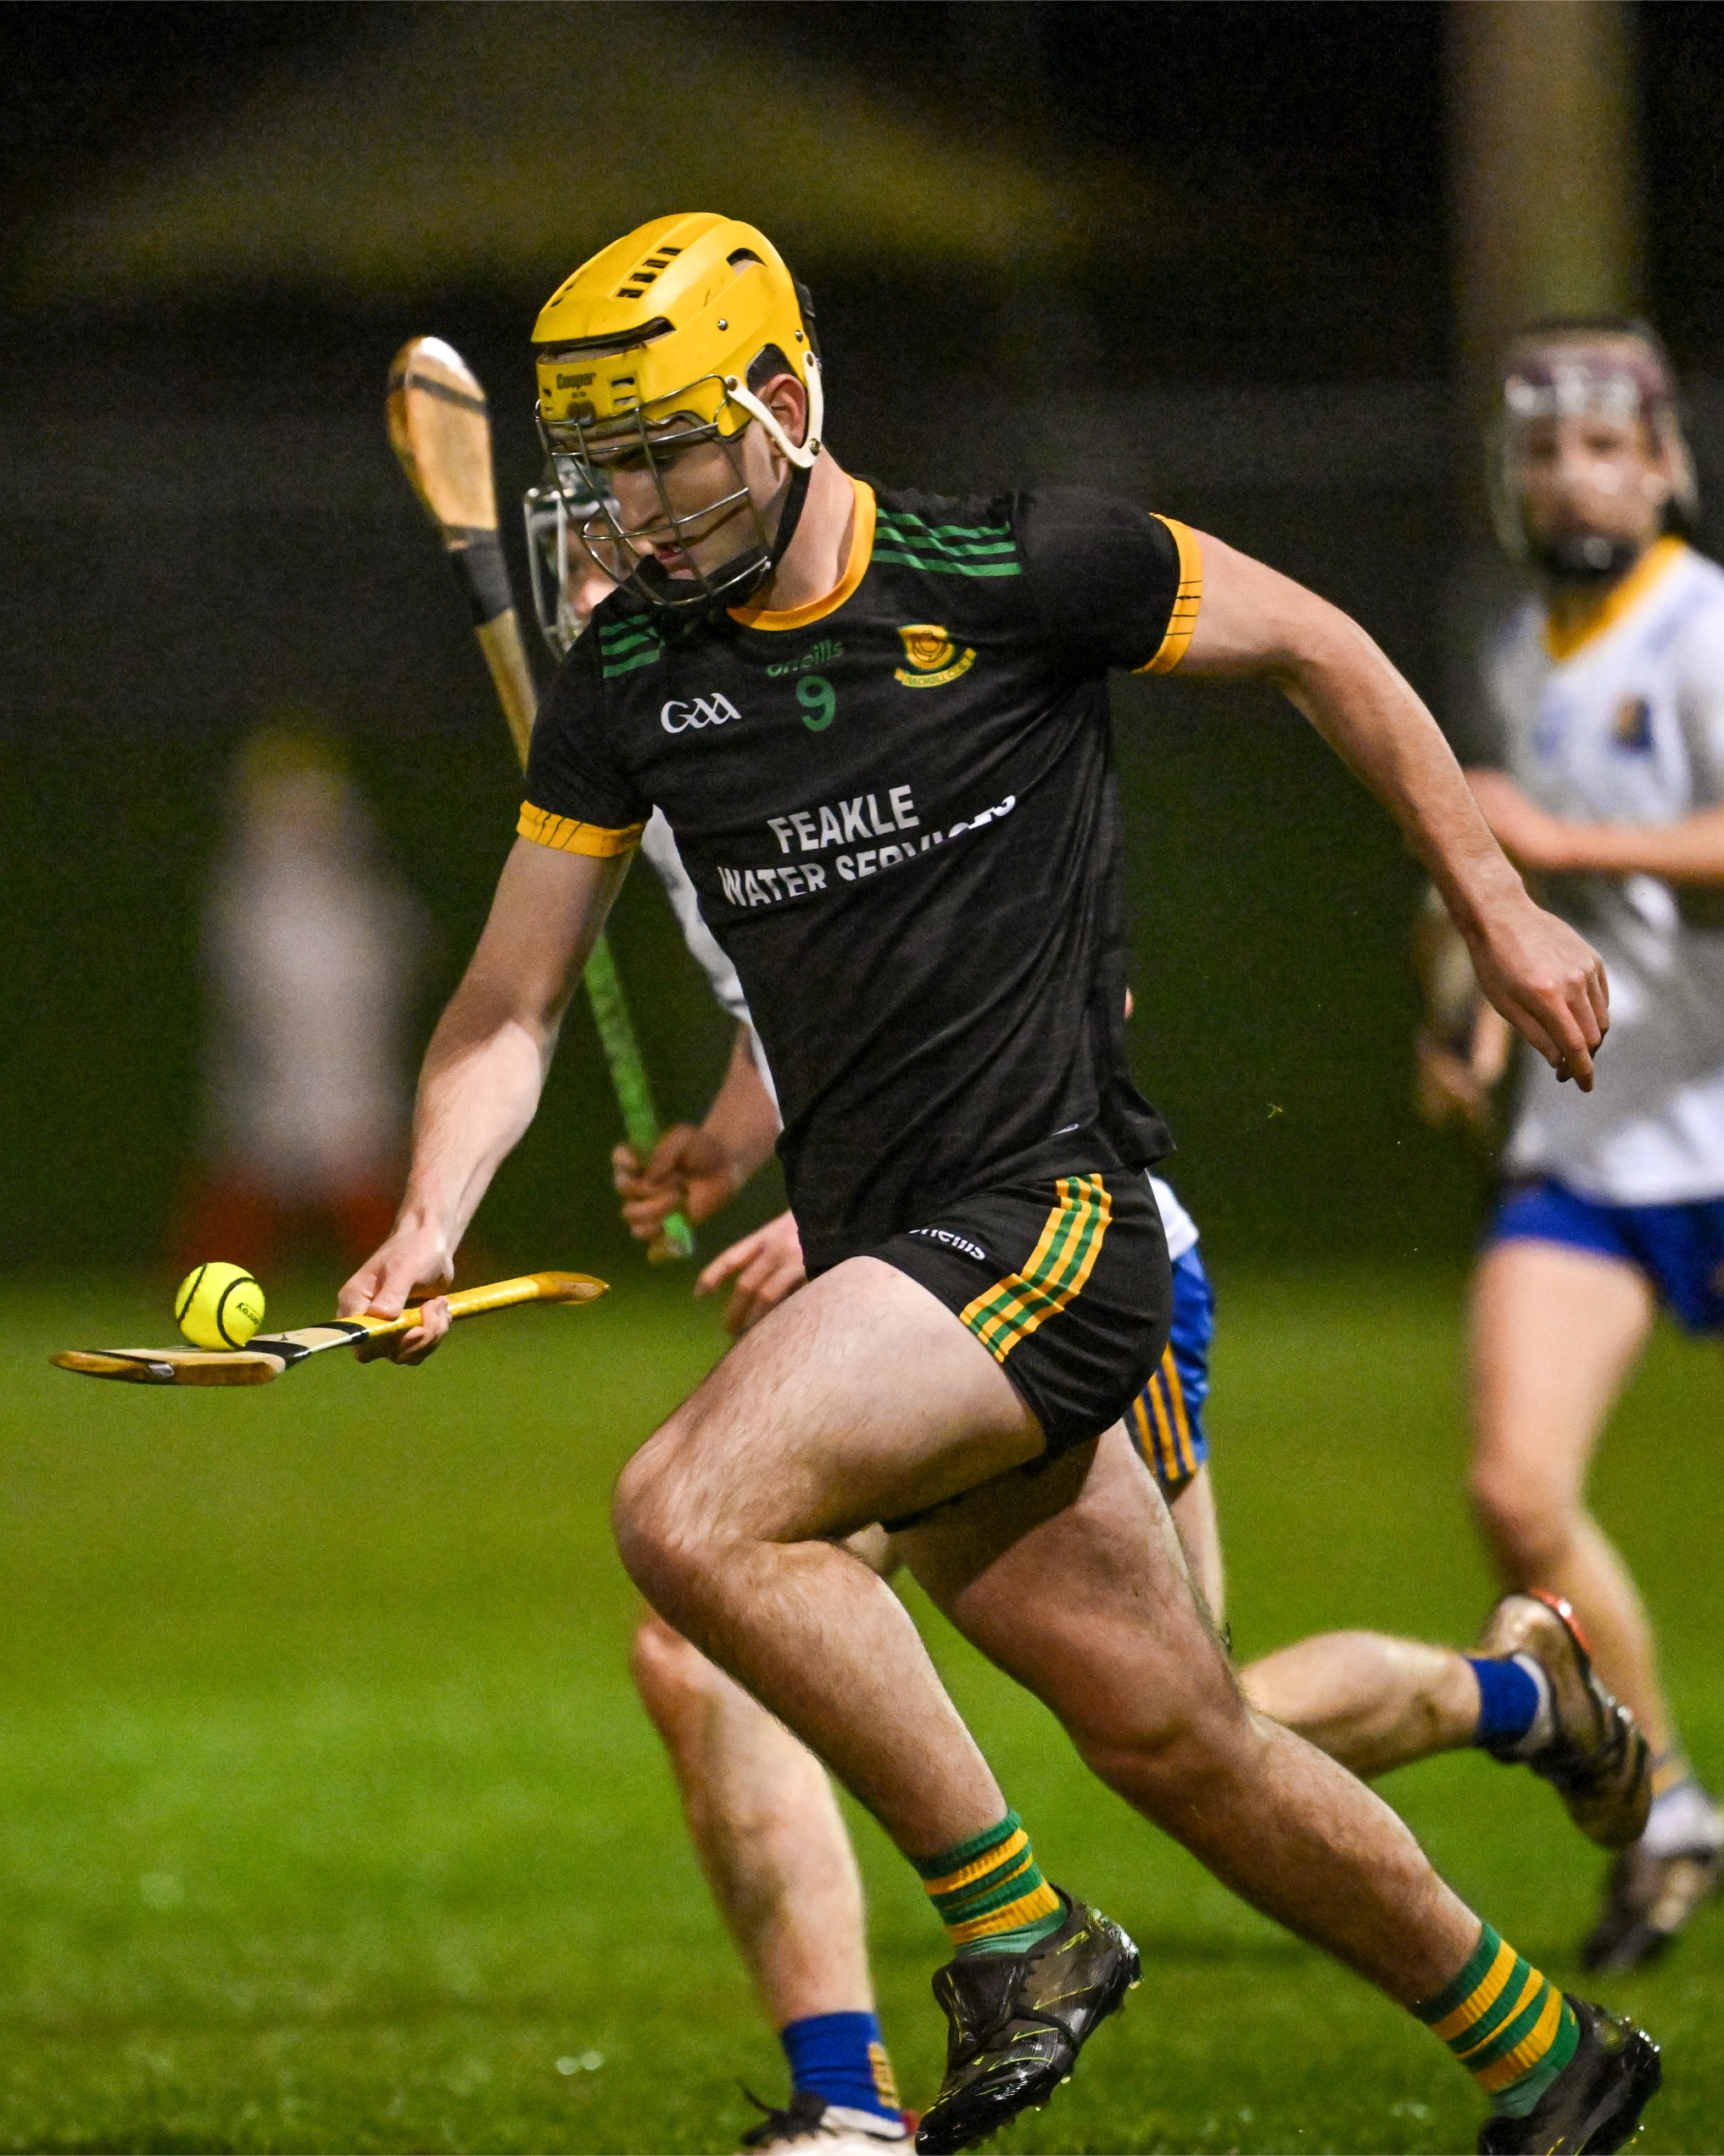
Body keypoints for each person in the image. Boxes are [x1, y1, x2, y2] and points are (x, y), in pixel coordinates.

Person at [344, 216, 1654, 2155]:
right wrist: (429, 1214)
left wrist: (1494, 899)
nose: (639, 506)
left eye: (672, 451)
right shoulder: (627, 679)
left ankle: (1017, 1933)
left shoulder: (1021, 567)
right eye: (606, 467)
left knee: (686, 1509)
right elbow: (506, 1004)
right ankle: (1550, 2060)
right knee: (1183, 1740)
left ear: (785, 401)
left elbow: (1322, 644)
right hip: (891, 1257)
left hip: (1047, 1221)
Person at [1418, 316, 1724, 1974]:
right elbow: (1499, 882)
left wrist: (1553, 837)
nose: (1570, 477)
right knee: (1511, 1488)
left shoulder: (1697, 626)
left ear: (1661, 466)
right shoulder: (1517, 650)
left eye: (1603, 447)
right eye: (1541, 450)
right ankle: (1667, 1806)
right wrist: (1463, 1001)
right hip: (1590, 1132)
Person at [176, 722, 424, 1276]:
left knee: (359, 1167)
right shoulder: (253, 895)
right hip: (274, 1070)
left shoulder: (354, 890)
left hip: (349, 1063)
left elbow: (397, 959)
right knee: (256, 1170)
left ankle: (422, 1284)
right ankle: (194, 1284)